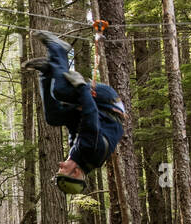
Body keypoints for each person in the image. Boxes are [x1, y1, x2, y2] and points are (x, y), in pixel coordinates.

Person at [24, 30, 126, 194]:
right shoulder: (90, 152)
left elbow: (75, 126)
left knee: (53, 117)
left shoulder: (79, 155)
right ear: (76, 172)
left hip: (100, 109)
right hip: (106, 104)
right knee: (61, 90)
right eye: (63, 170)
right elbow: (90, 116)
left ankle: (47, 71)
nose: (60, 165)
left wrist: (66, 111)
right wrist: (81, 88)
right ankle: (58, 49)